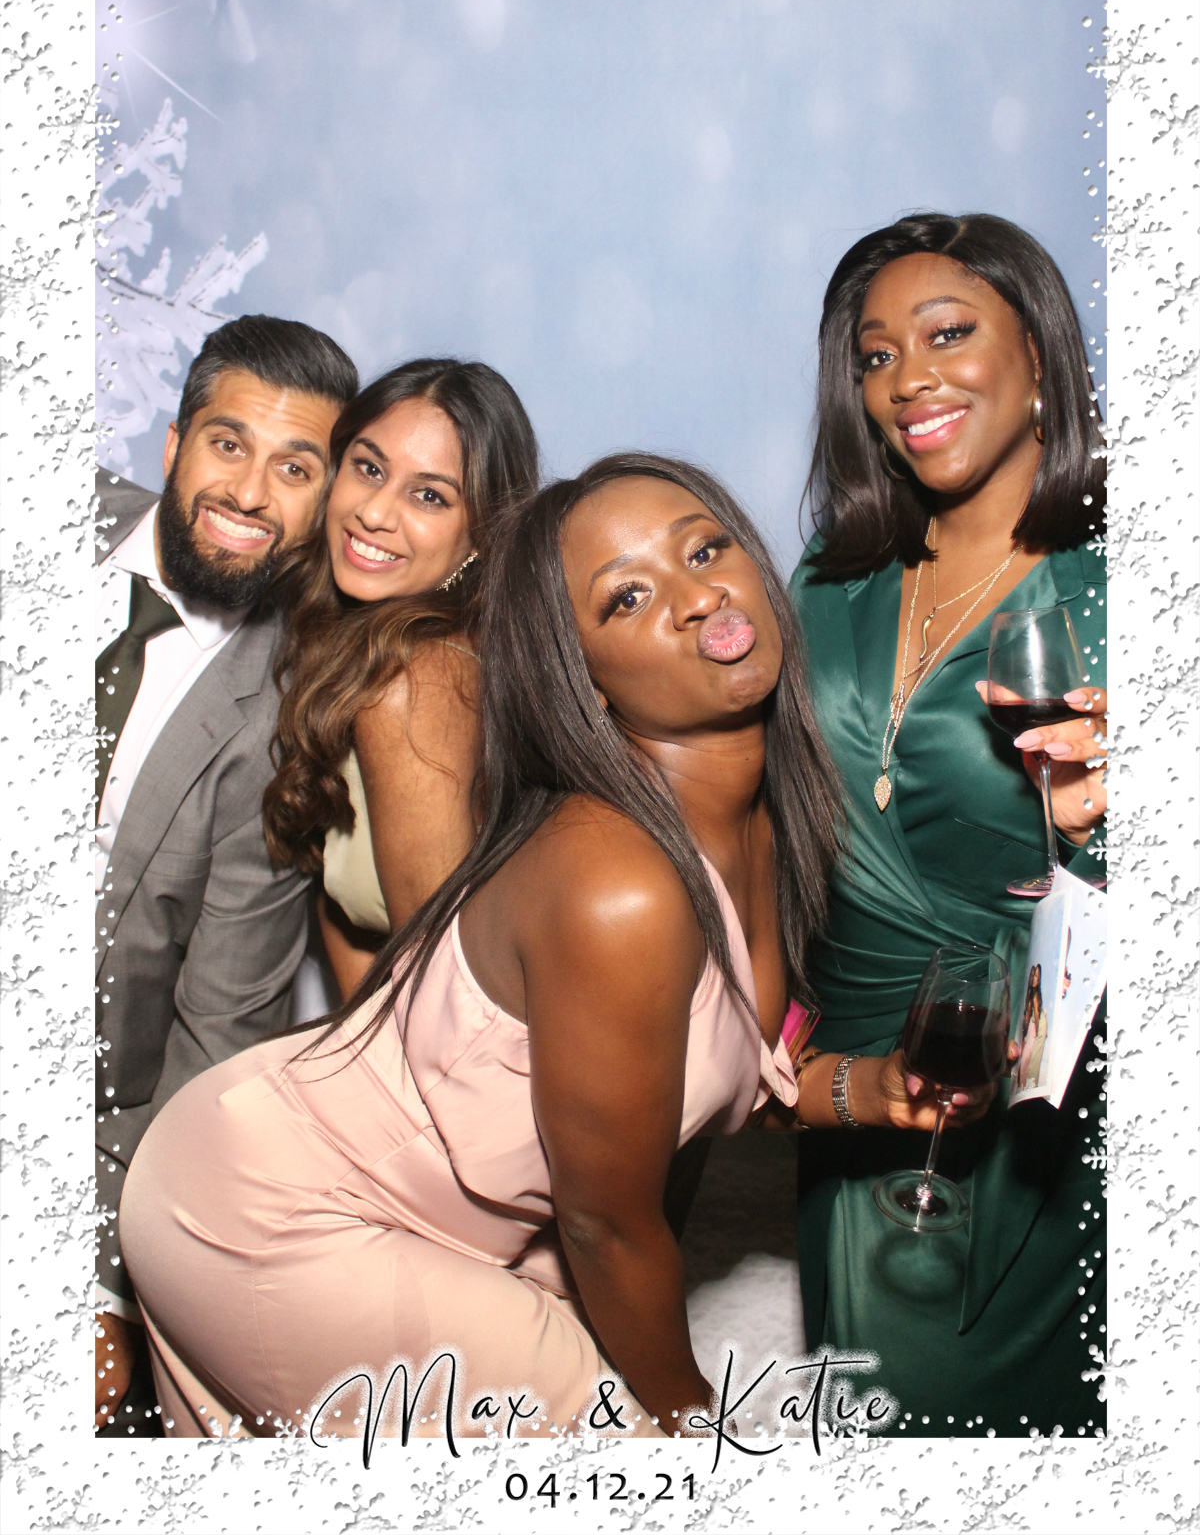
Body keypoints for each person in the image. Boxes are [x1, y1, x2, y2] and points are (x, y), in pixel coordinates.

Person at [120, 455, 999, 1441]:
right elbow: (606, 1225)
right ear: (583, 680)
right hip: (273, 1206)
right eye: (628, 597)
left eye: (704, 550)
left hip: (423, 1214)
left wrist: (869, 1089)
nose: (695, 596)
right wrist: (692, 1426)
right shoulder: (616, 882)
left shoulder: (758, 824)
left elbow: (718, 1071)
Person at [789, 212, 1107, 1438]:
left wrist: (1104, 826)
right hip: (851, 1090)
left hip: (1040, 1101)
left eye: (947, 334)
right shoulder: (835, 574)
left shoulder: (1124, 588)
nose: (906, 378)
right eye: (875, 356)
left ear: (1041, 356)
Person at [95, 314, 358, 1432]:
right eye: (228, 444)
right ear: (172, 444)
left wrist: (107, 1286)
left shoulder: (288, 725)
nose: (250, 494)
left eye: (295, 469)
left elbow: (210, 1048)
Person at [262, 359, 540, 1001]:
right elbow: (350, 908)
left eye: (429, 496)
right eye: (368, 468)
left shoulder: (417, 680)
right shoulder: (366, 643)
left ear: (483, 533)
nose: (375, 512)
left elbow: (442, 986)